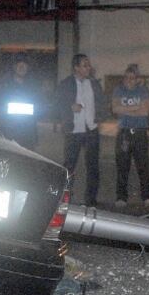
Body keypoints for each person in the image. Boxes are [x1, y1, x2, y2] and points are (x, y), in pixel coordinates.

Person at [55, 53, 104, 207]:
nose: (88, 67)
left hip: (91, 129)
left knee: (93, 166)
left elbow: (102, 101)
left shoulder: (94, 84)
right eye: (84, 65)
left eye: (88, 64)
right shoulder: (66, 84)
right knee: (69, 166)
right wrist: (70, 107)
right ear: (76, 67)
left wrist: (100, 117)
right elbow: (58, 103)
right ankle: (65, 198)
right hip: (74, 129)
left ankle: (91, 200)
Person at [111, 64, 149, 209]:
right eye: (127, 77)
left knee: (143, 166)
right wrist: (136, 108)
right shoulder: (118, 90)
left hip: (140, 132)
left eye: (132, 78)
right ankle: (121, 197)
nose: (129, 80)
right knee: (122, 166)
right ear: (124, 78)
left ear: (137, 79)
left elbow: (145, 112)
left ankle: (148, 196)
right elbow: (115, 108)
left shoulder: (142, 90)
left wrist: (126, 110)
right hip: (124, 132)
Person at [0, 54, 40, 150]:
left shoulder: (32, 86)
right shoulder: (4, 85)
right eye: (19, 65)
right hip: (9, 130)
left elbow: (39, 106)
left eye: (24, 66)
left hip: (27, 132)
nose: (22, 68)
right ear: (14, 67)